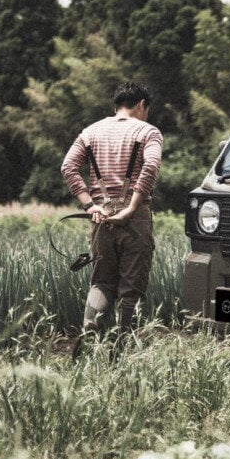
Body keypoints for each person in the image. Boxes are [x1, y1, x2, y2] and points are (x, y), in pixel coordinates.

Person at [61, 80, 163, 337]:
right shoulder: (149, 132)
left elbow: (68, 168)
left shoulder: (90, 132)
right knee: (131, 288)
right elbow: (150, 167)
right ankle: (121, 348)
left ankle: (89, 333)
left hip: (101, 218)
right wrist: (131, 207)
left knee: (102, 282)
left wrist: (89, 205)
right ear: (141, 105)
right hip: (134, 219)